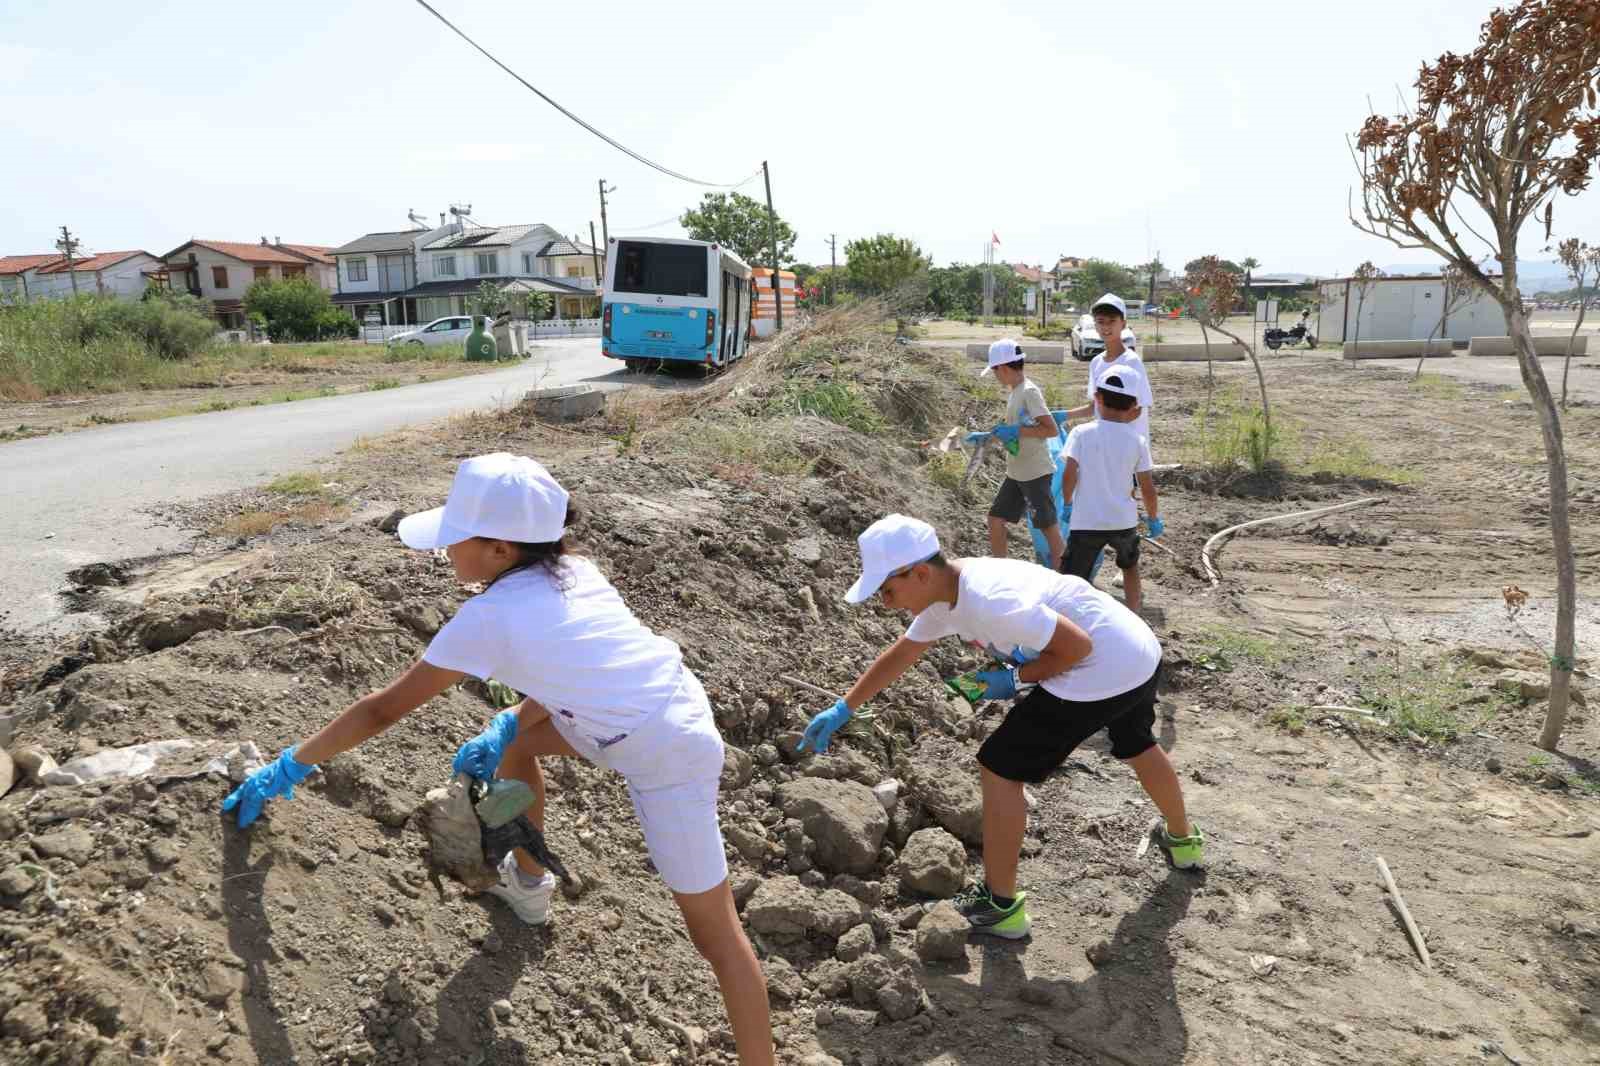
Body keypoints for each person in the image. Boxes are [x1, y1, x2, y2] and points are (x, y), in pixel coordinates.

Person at [221, 453, 775, 1066]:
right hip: (655, 707)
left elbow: (382, 710)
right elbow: (581, 667)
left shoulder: (487, 618)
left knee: (717, 937)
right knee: (517, 741)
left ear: (501, 549)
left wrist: (292, 763)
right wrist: (510, 720)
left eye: (457, 539)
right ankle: (531, 885)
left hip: (667, 755)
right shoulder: (573, 570)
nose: (446, 552)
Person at [796, 515, 1203, 939]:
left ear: (918, 573)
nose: (886, 602)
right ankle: (1184, 841)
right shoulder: (946, 590)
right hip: (1136, 650)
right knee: (1137, 742)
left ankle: (1000, 905)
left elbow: (1076, 648)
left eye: (887, 590)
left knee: (999, 767)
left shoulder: (990, 600)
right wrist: (844, 708)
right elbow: (903, 652)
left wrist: (1014, 680)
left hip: (1096, 667)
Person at [1059, 366, 1162, 613]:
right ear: (1134, 408)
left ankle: (1069, 620)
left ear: (1097, 398)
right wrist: (1153, 518)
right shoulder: (1137, 441)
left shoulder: (1081, 433)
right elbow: (1147, 487)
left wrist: (1067, 503)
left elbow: (1069, 474)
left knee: (1073, 578)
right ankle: (1134, 616)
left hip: (1087, 521)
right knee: (1129, 567)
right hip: (1123, 521)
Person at [979, 338, 1066, 570]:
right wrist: (990, 436)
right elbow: (1022, 430)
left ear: (1004, 368)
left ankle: (1064, 580)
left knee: (1048, 528)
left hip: (1035, 473)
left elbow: (1050, 429)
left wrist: (1016, 430)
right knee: (995, 519)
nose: (996, 377)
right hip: (1017, 472)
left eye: (995, 372)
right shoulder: (1015, 392)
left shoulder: (1029, 392)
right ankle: (1002, 572)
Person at [1066, 293, 1154, 452]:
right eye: (1101, 322)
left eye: (1112, 321)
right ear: (1095, 325)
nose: (1106, 327)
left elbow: (1138, 409)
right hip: (1105, 448)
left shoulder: (1132, 362)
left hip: (1129, 450)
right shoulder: (1096, 363)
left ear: (1123, 324)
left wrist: (1110, 431)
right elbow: (1095, 406)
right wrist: (1064, 415)